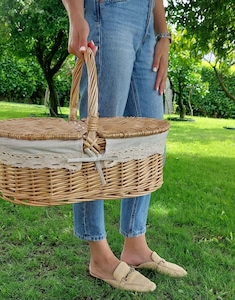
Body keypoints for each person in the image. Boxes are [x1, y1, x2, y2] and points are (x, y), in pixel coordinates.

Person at [62, 0, 187, 293]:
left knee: (149, 142)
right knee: (97, 136)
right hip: (109, 11)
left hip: (146, 23)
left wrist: (163, 35)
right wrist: (76, 14)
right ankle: (100, 255)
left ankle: (136, 246)